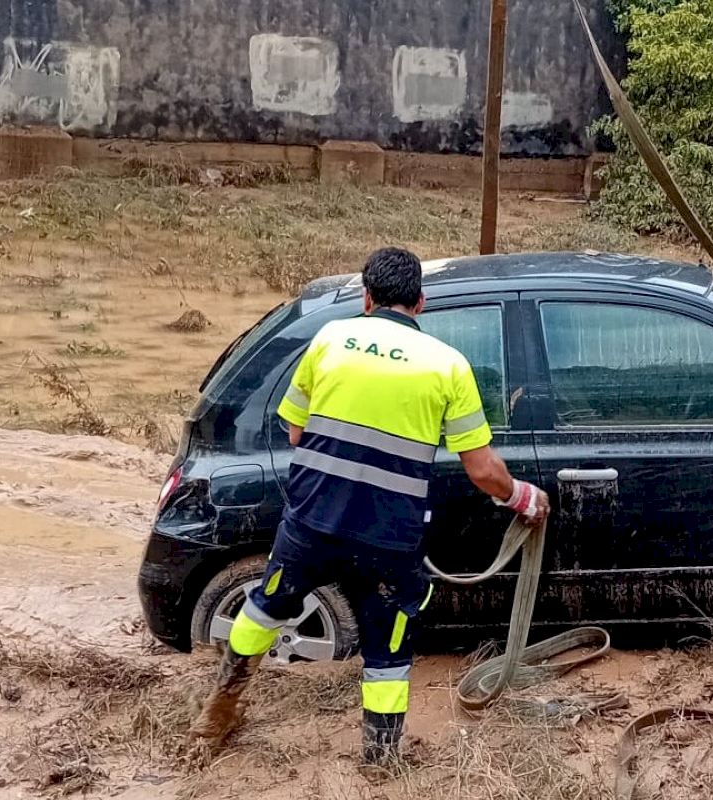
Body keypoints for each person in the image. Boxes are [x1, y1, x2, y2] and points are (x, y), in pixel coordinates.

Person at [187, 247, 551, 765]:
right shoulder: (448, 366)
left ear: (366, 297)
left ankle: (218, 711)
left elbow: (296, 430)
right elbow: (483, 471)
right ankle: (380, 760)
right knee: (388, 646)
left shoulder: (330, 338)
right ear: (420, 303)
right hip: (389, 537)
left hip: (313, 521)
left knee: (267, 606)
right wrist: (525, 498)